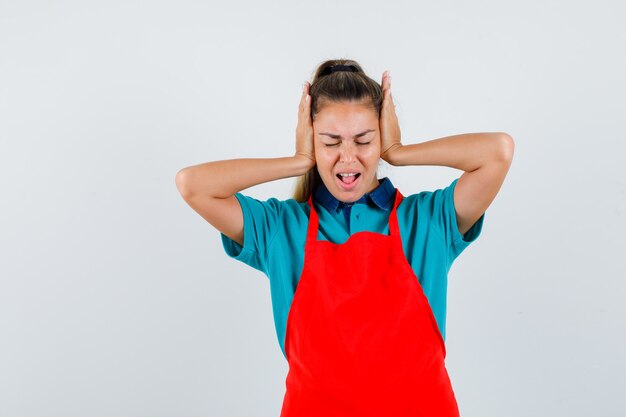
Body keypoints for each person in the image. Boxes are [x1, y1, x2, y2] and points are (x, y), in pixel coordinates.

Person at [175, 59, 514, 417]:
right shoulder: (280, 228)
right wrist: (297, 161)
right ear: (312, 141)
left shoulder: (428, 221)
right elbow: (192, 185)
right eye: (330, 141)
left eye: (364, 140)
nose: (347, 157)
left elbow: (498, 152)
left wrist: (399, 151)